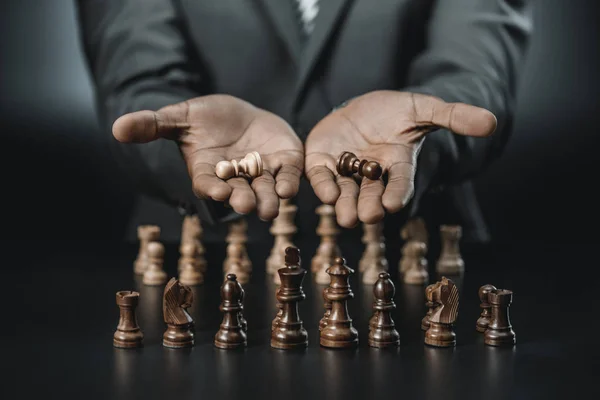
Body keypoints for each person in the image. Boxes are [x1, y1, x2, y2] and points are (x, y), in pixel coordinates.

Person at [77, 0, 532, 242]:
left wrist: (422, 138)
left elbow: (476, 78)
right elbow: (136, 85)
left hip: (413, 247)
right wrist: (189, 148)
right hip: (203, 248)